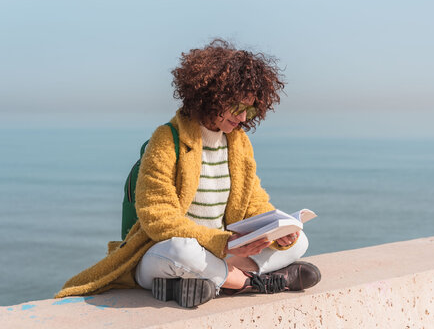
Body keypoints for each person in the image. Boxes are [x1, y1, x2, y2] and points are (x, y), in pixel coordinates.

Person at [56, 39, 321, 308]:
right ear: (212, 96)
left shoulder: (239, 143)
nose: (243, 118)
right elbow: (158, 218)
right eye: (238, 107)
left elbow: (253, 202)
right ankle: (250, 283)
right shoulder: (166, 139)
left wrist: (278, 232)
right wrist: (222, 244)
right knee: (182, 251)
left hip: (220, 252)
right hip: (164, 252)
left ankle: (207, 281)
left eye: (250, 110)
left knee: (301, 243)